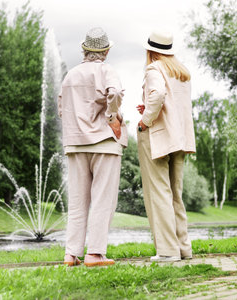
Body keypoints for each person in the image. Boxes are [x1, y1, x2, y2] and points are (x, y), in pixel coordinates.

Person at [58, 27, 128, 267]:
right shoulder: (106, 70)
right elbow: (116, 92)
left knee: (77, 200)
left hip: (76, 144)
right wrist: (111, 118)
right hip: (103, 143)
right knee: (102, 199)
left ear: (84, 50)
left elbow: (61, 108)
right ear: (106, 51)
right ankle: (95, 254)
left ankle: (71, 254)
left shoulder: (70, 75)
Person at [136, 30, 196, 262]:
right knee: (175, 194)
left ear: (151, 50)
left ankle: (168, 252)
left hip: (158, 137)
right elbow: (171, 103)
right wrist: (149, 107)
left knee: (159, 193)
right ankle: (183, 248)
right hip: (179, 139)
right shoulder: (181, 73)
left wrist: (145, 121)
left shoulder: (154, 69)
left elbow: (159, 93)